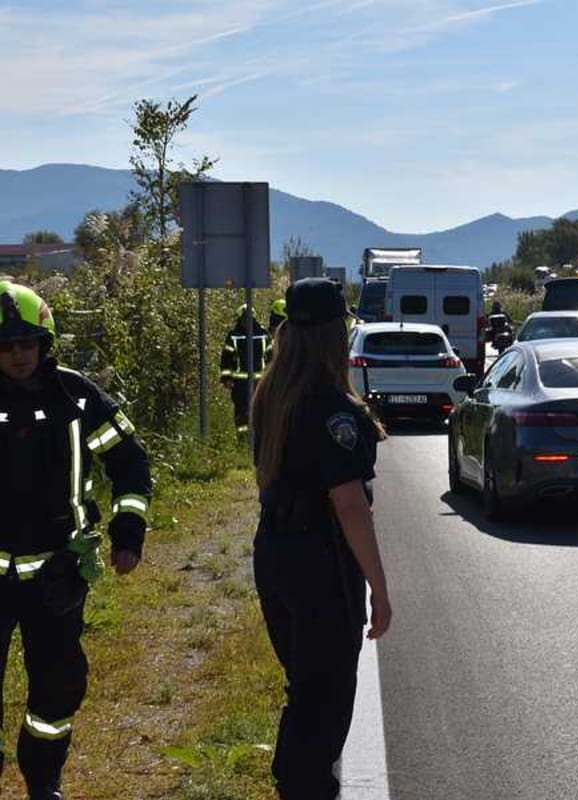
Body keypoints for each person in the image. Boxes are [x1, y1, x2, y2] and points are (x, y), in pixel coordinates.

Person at [0, 281, 151, 800]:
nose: (18, 356)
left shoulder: (78, 396)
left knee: (58, 688)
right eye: (5, 346)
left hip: (57, 573)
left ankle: (44, 783)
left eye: (26, 344)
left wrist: (127, 531)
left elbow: (130, 462)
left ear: (45, 343)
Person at [250, 277, 392, 800]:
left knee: (305, 689)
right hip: (320, 566)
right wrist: (380, 588)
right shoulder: (334, 409)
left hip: (276, 555)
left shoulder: (271, 393)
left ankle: (298, 784)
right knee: (326, 701)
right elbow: (351, 507)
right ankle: (302, 788)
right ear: (336, 333)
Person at [219, 305, 269, 435]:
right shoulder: (237, 335)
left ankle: (252, 439)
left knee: (255, 412)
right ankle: (245, 441)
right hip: (247, 382)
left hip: (256, 382)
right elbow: (227, 358)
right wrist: (227, 378)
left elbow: (271, 356)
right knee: (246, 412)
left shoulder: (261, 334)